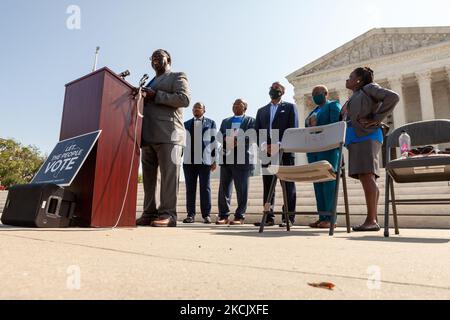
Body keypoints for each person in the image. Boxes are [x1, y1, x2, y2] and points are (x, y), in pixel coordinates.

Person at [135, 49, 191, 228]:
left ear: (169, 59)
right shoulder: (149, 81)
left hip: (169, 134)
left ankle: (168, 214)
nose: (155, 59)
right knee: (150, 179)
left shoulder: (177, 76)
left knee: (168, 177)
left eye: (159, 56)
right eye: (153, 58)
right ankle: (149, 212)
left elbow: (184, 99)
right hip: (147, 135)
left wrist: (156, 95)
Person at [342, 67, 399, 232]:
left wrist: (376, 118)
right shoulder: (356, 95)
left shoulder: (369, 88)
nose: (347, 80)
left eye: (350, 77)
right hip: (358, 138)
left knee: (367, 175)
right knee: (367, 177)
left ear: (359, 79)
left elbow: (393, 97)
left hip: (366, 136)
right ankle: (372, 218)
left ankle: (371, 220)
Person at [254, 82, 298, 228]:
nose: (273, 91)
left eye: (276, 89)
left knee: (288, 185)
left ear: (282, 92)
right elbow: (257, 131)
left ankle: (289, 217)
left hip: (284, 152)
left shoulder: (290, 107)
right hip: (267, 153)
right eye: (271, 88)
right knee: (268, 185)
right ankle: (268, 216)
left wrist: (278, 145)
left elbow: (293, 129)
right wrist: (264, 146)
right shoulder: (262, 111)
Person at [305, 85, 342, 229]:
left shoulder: (333, 105)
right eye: (313, 93)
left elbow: (336, 125)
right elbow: (307, 124)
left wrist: (317, 124)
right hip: (314, 150)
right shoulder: (314, 110)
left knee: (328, 184)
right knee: (317, 183)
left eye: (317, 93)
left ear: (326, 94)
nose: (315, 95)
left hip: (328, 149)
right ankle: (322, 217)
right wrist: (310, 123)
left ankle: (331, 218)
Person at [216, 99, 256, 226]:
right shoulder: (226, 121)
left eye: (239, 104)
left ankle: (240, 216)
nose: (235, 106)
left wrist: (237, 141)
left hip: (243, 158)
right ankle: (223, 215)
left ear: (245, 107)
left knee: (242, 188)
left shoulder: (251, 121)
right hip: (226, 157)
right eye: (234, 104)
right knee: (224, 188)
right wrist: (226, 140)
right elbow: (219, 135)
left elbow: (252, 135)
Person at [182, 102, 217, 224]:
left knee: (205, 188)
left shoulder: (211, 123)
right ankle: (190, 215)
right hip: (188, 161)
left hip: (205, 161)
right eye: (194, 108)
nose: (196, 109)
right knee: (190, 188)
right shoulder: (185, 124)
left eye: (199, 107)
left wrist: (214, 160)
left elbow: (213, 142)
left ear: (204, 110)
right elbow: (181, 142)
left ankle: (206, 215)